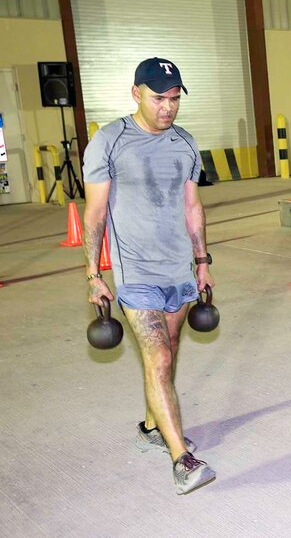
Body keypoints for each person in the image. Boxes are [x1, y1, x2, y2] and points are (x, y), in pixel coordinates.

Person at [82, 57, 216, 494]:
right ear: (136, 92)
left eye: (175, 98)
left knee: (170, 352)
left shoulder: (185, 143)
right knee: (158, 358)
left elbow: (192, 207)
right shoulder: (109, 141)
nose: (169, 107)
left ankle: (150, 428)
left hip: (178, 268)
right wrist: (93, 273)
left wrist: (202, 262)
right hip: (134, 271)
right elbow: (96, 212)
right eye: (160, 97)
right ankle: (183, 460)